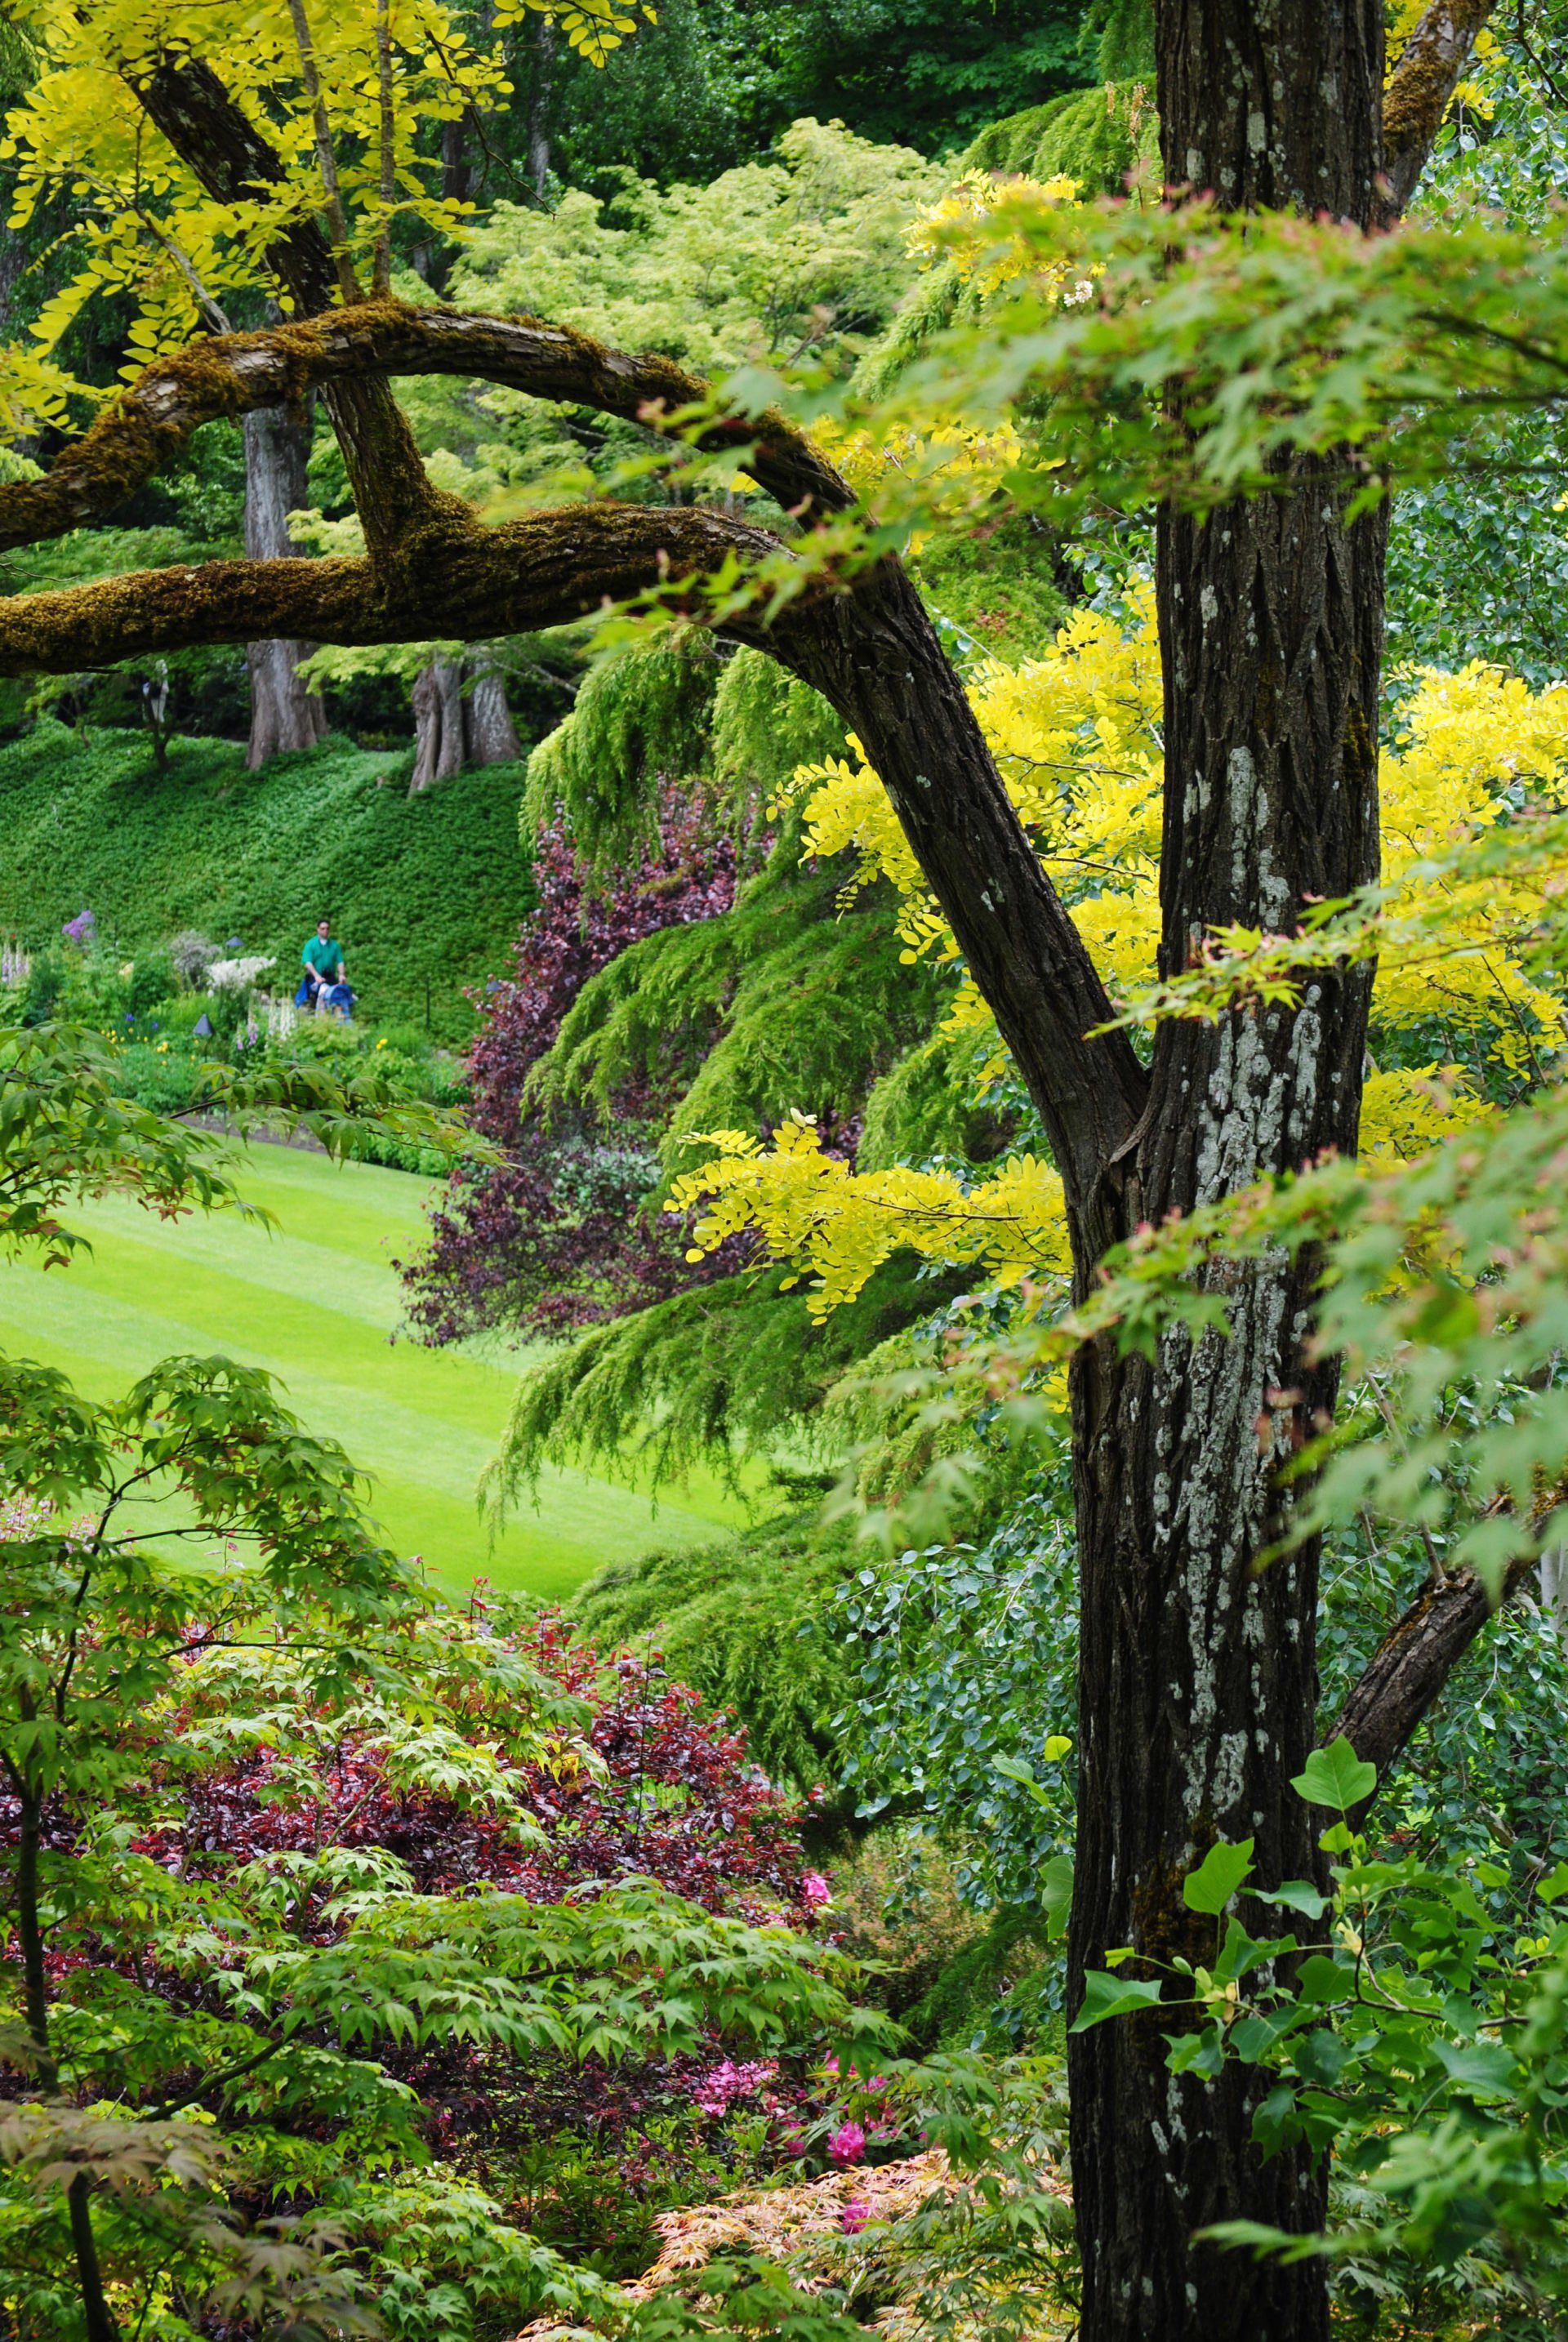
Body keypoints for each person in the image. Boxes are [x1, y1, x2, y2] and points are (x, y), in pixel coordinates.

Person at [296, 919, 350, 1014]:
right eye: (323, 928)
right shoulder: (311, 944)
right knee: (314, 998)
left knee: (336, 995)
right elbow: (308, 962)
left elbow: (340, 961)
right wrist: (317, 976)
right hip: (315, 977)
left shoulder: (334, 945)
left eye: (327, 928)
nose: (325, 931)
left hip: (329, 976)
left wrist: (341, 974)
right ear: (318, 930)